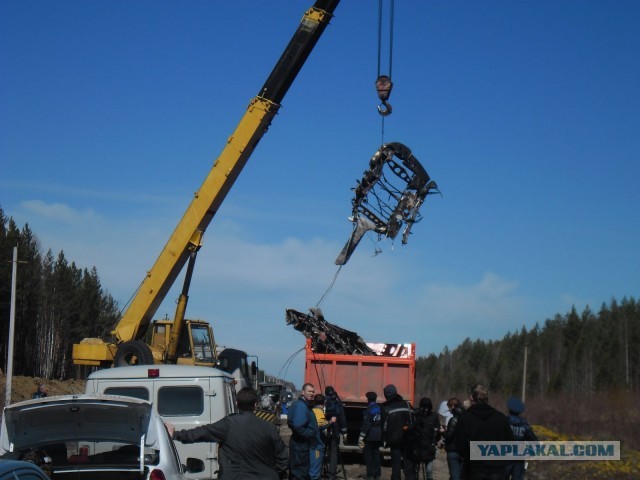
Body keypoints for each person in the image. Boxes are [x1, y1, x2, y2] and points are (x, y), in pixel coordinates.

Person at [165, 387, 287, 480]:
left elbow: (201, 432)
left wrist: (175, 434)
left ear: (237, 404)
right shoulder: (270, 428)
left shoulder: (228, 424)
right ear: (255, 405)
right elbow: (282, 459)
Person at [454, 384, 514, 480]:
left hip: (473, 469)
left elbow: (460, 446)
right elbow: (510, 445)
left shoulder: (465, 418)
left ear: (471, 398)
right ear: (487, 398)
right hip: (497, 470)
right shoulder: (501, 418)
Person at [381, 384, 415, 480]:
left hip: (394, 440)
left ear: (386, 395)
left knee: (396, 466)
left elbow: (383, 426)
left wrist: (384, 438)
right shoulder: (407, 404)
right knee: (408, 465)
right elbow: (413, 421)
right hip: (408, 439)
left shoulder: (385, 407)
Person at [287, 383, 318, 480]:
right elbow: (298, 426)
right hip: (300, 445)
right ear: (303, 392)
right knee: (300, 473)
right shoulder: (301, 406)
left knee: (297, 471)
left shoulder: (300, 404)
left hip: (299, 444)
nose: (312, 394)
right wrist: (310, 434)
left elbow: (291, 422)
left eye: (313, 391)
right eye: (309, 391)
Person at [505, 397, 537, 480]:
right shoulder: (525, 426)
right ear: (520, 412)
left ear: (509, 409)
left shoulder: (504, 422)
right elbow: (534, 442)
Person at [413, 397, 440, 480]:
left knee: (429, 470)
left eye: (427, 407)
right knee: (416, 470)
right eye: (423, 407)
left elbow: (437, 430)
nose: (425, 409)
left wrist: (434, 442)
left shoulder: (434, 416)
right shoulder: (416, 415)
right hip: (418, 446)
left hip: (429, 447)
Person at [323, 386, 347, 480]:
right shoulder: (337, 402)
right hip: (335, 430)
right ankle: (331, 475)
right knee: (333, 453)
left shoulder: (322, 401)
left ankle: (319, 470)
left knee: (322, 450)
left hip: (324, 429)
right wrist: (344, 431)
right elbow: (342, 417)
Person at [358, 391, 383, 480]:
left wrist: (361, 436)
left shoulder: (369, 409)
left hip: (370, 435)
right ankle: (378, 474)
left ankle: (370, 474)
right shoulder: (379, 408)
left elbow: (367, 424)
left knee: (368, 455)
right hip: (378, 434)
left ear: (368, 399)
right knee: (376, 454)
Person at [310, 394, 335, 480]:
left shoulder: (312, 410)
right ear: (324, 402)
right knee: (315, 471)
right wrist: (330, 422)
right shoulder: (319, 412)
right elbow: (320, 425)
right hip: (316, 445)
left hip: (312, 443)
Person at [441, 398, 463, 480]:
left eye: (449, 408)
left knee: (454, 475)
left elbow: (449, 435)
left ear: (452, 406)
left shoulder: (454, 419)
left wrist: (442, 432)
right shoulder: (466, 416)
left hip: (453, 449)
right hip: (463, 450)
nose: (449, 410)